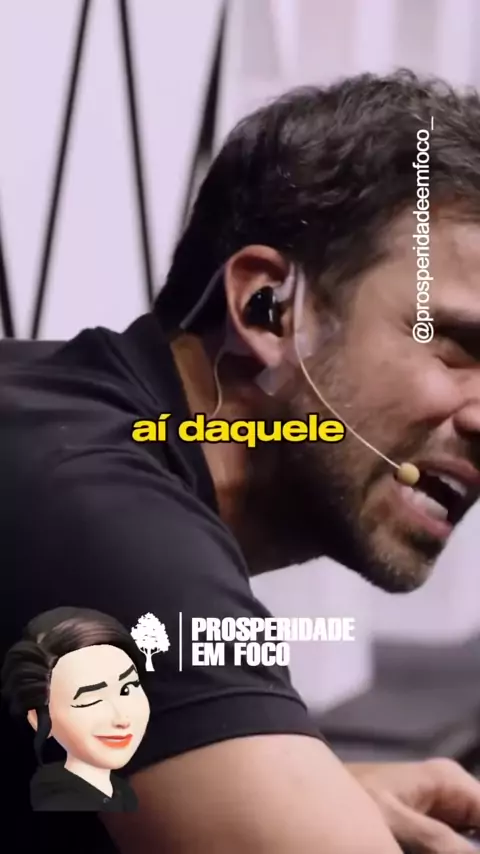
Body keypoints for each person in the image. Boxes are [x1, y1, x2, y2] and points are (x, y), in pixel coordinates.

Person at [1, 68, 480, 852]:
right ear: (269, 309)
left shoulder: (61, 423)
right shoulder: (96, 510)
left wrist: (293, 787)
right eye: (456, 346)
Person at [1, 607, 150, 811]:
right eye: (91, 700)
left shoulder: (121, 794)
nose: (121, 718)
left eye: (127, 689)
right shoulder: (59, 804)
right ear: (38, 718)